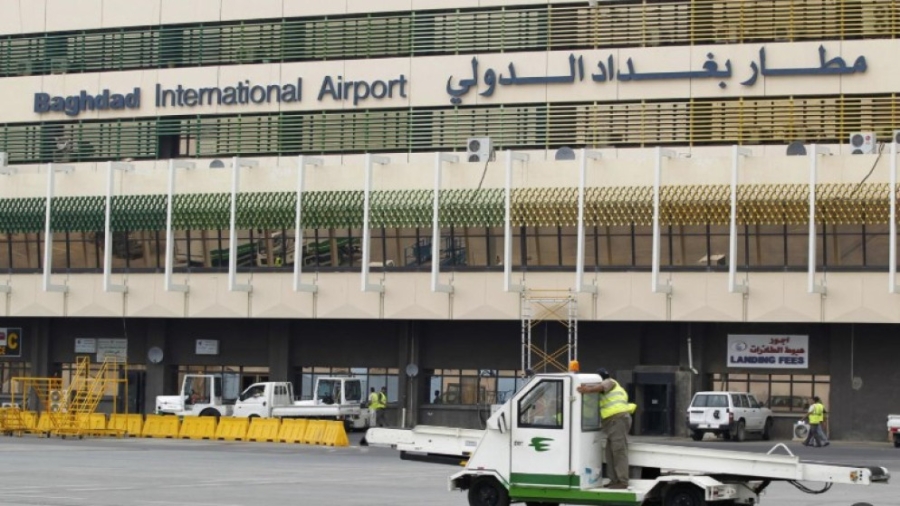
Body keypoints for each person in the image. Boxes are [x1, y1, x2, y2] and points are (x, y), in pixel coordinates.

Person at [577, 368, 633, 490]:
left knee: (618, 451)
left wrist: (588, 390)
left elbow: (604, 385)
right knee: (610, 452)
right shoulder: (604, 390)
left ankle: (622, 481)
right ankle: (614, 480)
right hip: (613, 422)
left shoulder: (610, 382)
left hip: (618, 419)